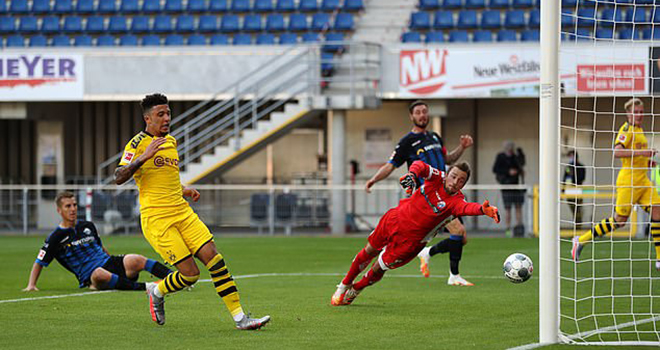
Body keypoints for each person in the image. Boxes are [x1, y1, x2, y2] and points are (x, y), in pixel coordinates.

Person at [114, 93, 270, 329]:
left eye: (168, 113)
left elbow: (165, 178)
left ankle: (241, 318)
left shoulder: (171, 142)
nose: (167, 118)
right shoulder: (136, 144)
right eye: (161, 114)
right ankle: (157, 291)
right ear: (148, 119)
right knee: (190, 275)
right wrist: (145, 156)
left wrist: (184, 189)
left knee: (215, 259)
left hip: (182, 213)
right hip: (158, 220)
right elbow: (118, 177)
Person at [331, 160, 500, 306]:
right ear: (447, 174)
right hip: (394, 219)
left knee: (378, 267)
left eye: (461, 180)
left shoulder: (456, 201)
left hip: (410, 243)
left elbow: (466, 208)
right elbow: (420, 165)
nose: (455, 182)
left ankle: (357, 288)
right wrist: (412, 175)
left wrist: (482, 210)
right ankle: (343, 285)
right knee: (369, 251)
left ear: (464, 185)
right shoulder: (437, 177)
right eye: (453, 176)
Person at [365, 100, 476, 286]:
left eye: (425, 111)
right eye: (418, 112)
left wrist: (462, 148)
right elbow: (390, 165)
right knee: (458, 231)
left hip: (446, 193)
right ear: (412, 116)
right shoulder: (407, 142)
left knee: (462, 238)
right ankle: (454, 276)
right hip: (428, 197)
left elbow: (448, 159)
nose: (422, 115)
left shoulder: (434, 137)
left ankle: (428, 253)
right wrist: (374, 179)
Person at [572, 98, 660, 270]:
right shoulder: (626, 130)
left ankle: (659, 259)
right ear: (628, 113)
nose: (639, 115)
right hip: (629, 182)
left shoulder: (640, 130)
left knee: (658, 210)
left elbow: (634, 157)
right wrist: (643, 152)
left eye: (641, 112)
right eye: (636, 112)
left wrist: (647, 161)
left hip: (643, 180)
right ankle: (580, 240)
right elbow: (617, 152)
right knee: (620, 221)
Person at [23, 191, 172, 292]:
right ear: (59, 210)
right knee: (99, 274)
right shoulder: (55, 237)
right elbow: (39, 262)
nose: (73, 209)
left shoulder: (87, 225)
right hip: (91, 275)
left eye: (74, 205)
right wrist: (31, 285)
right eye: (68, 206)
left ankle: (174, 278)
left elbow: (100, 247)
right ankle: (146, 287)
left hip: (108, 263)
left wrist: (116, 261)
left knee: (136, 259)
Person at [492, 140, 526, 235]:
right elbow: (495, 169)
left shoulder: (515, 157)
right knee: (508, 208)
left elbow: (521, 167)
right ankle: (508, 228)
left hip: (516, 186)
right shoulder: (500, 157)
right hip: (506, 186)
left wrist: (517, 171)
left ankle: (519, 227)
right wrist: (508, 171)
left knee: (518, 207)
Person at [563, 150, 586, 227]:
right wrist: (562, 191)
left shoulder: (581, 167)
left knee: (578, 209)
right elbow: (564, 179)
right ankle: (576, 225)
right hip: (569, 190)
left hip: (577, 190)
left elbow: (582, 178)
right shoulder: (568, 167)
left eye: (571, 156)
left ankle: (578, 226)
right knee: (572, 208)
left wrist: (574, 174)